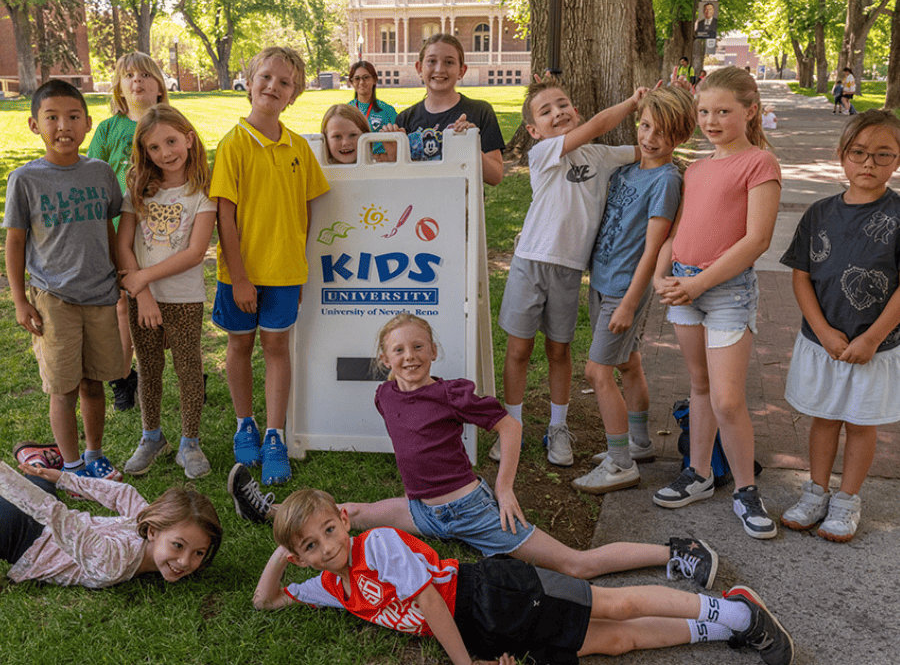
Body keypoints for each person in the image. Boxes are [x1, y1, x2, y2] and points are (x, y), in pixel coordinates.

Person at [298, 313, 717, 587]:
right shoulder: (384, 395)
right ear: (385, 358)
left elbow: (510, 426)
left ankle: (678, 551)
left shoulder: (450, 394)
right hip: (422, 511)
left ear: (434, 351)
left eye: (419, 347)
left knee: (576, 565)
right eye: (399, 350)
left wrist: (503, 488)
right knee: (347, 513)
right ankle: (277, 516)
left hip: (472, 512)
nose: (410, 357)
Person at [252, 488, 794, 665]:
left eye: (329, 529)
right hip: (486, 632)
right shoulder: (328, 585)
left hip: (493, 594)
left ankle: (737, 611)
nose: (327, 547)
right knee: (615, 642)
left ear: (344, 519)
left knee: (614, 606)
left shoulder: (380, 544)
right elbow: (265, 603)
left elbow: (431, 605)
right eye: (310, 546)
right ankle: (723, 631)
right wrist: (281, 551)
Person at [652, 67, 782, 540]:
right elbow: (678, 229)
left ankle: (746, 491)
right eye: (704, 111)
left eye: (723, 111)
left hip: (724, 290)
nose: (711, 120)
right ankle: (700, 473)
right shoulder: (697, 168)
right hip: (683, 288)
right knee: (700, 385)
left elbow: (757, 240)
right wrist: (662, 274)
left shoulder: (759, 163)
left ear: (750, 111)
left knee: (729, 399)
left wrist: (699, 283)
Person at [499, 74, 644, 467]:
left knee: (559, 349)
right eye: (546, 111)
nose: (557, 113)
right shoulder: (543, 153)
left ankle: (558, 426)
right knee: (518, 349)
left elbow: (648, 149)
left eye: (563, 105)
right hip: (530, 263)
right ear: (533, 130)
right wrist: (632, 103)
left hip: (569, 271)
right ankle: (511, 426)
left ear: (574, 110)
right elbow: (598, 125)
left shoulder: (601, 156)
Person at [779, 110, 900, 542]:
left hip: (874, 347)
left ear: (897, 160)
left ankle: (847, 499)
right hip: (823, 341)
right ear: (843, 156)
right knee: (825, 417)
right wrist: (824, 330)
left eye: (883, 155)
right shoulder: (818, 213)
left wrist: (872, 337)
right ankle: (815, 491)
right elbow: (800, 274)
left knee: (861, 423)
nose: (869, 164)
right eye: (859, 153)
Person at [211, 47, 330, 485]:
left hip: (284, 272)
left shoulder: (299, 147)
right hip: (239, 275)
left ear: (294, 95)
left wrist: (298, 264)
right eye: (265, 77)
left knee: (277, 349)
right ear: (249, 80)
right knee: (240, 347)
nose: (273, 86)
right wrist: (239, 276)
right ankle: (246, 423)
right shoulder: (233, 144)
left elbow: (307, 208)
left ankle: (275, 434)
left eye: (284, 82)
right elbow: (225, 214)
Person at [572, 86, 696, 495]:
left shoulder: (665, 180)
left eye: (661, 133)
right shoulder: (628, 171)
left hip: (625, 288)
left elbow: (654, 248)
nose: (649, 138)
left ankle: (620, 463)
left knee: (597, 371)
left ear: (678, 138)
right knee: (629, 364)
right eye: (644, 126)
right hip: (603, 279)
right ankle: (639, 443)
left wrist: (628, 302)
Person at [4, 80, 124, 481]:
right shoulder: (25, 179)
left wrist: (119, 274)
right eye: (51, 117)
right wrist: (20, 300)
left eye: (73, 117)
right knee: (63, 387)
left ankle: (93, 454)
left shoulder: (101, 172)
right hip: (53, 297)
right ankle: (70, 465)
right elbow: (16, 242)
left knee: (94, 383)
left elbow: (107, 227)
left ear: (89, 123)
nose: (63, 126)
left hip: (101, 293)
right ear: (34, 124)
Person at [116, 105, 217, 479]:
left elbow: (194, 252)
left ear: (189, 139)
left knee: (189, 369)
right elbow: (123, 245)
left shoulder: (202, 191)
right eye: (154, 148)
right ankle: (151, 436)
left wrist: (142, 279)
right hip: (142, 299)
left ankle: (190, 442)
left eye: (171, 142)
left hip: (184, 297)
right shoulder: (139, 189)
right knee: (149, 368)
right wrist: (141, 291)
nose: (165, 153)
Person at [88, 52, 171, 412]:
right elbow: (92, 176)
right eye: (129, 76)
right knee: (124, 305)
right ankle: (124, 377)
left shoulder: (169, 123)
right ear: (120, 89)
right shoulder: (109, 129)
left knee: (169, 300)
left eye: (145, 75)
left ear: (159, 87)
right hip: (119, 229)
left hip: (163, 228)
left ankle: (184, 367)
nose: (137, 81)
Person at [0, 459, 221, 588]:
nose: (184, 562)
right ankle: (36, 461)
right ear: (153, 531)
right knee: (38, 477)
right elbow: (124, 493)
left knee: (33, 485)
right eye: (178, 545)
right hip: (27, 527)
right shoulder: (121, 554)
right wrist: (62, 478)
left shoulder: (115, 561)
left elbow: (58, 517)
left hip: (24, 540)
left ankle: (36, 462)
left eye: (199, 553)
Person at [394, 33, 505, 186]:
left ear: (461, 70)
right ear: (419, 68)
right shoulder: (404, 119)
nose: (439, 69)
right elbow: (398, 180)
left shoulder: (480, 111)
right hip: (418, 207)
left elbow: (495, 177)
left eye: (449, 62)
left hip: (464, 208)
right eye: (431, 61)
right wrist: (393, 150)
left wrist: (470, 144)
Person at [321, 104, 396, 164]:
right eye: (337, 136)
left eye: (353, 135)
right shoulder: (318, 170)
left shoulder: (377, 165)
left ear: (366, 134)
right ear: (325, 139)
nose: (345, 143)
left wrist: (393, 155)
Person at [347, 60, 398, 133]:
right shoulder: (346, 111)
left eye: (366, 77)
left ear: (374, 80)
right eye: (357, 79)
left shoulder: (388, 111)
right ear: (352, 82)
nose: (361, 82)